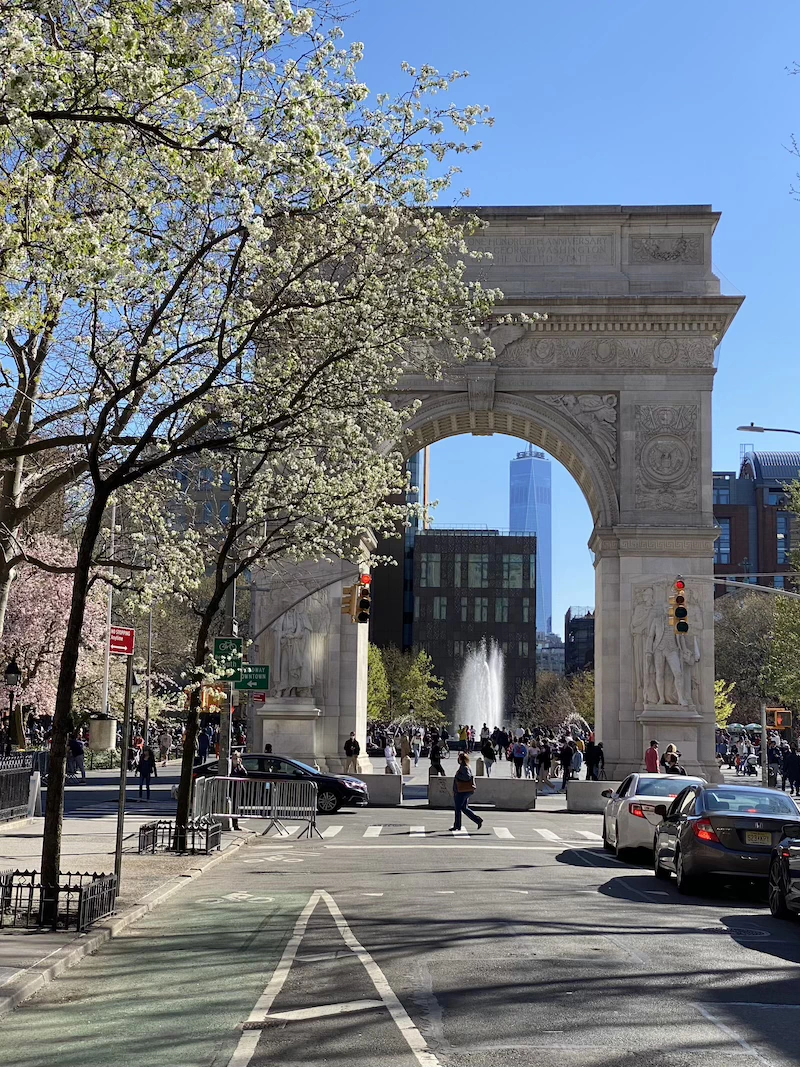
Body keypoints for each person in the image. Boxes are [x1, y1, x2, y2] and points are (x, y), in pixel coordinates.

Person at [450, 752, 483, 832]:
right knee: (464, 808)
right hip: (465, 791)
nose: (458, 760)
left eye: (459, 758)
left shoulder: (464, 767)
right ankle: (477, 820)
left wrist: (458, 776)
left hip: (462, 791)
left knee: (458, 808)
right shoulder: (466, 766)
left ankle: (457, 825)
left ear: (461, 759)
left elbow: (467, 777)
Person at [230, 751, 248, 830]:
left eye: (236, 758)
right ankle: (233, 823)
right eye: (234, 758)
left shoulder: (239, 767)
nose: (235, 760)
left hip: (238, 789)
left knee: (236, 807)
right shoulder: (230, 767)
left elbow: (245, 773)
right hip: (231, 789)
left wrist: (241, 765)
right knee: (232, 807)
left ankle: (235, 824)